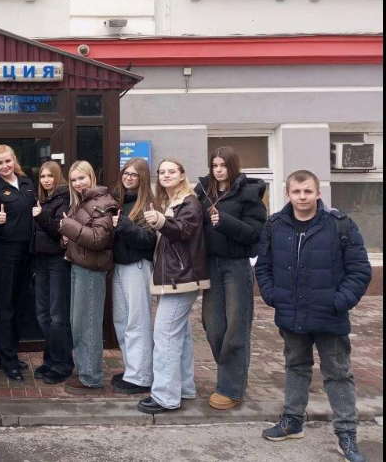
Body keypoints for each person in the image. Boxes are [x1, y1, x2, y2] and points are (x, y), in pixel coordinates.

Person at [256, 170, 371, 462]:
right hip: (291, 313)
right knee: (296, 366)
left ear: (318, 193)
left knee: (338, 374)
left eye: (308, 191)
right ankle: (292, 421)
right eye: (297, 192)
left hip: (330, 315)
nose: (302, 197)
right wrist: (273, 296)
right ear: (288, 194)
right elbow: (264, 266)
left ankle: (346, 434)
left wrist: (339, 302)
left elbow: (359, 270)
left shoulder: (340, 224)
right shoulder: (275, 225)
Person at [195, 147, 267, 410]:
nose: (218, 170)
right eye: (215, 165)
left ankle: (231, 387)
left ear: (232, 166)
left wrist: (224, 221)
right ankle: (230, 375)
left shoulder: (248, 193)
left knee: (236, 327)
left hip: (236, 265)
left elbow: (255, 233)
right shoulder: (203, 192)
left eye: (223, 165)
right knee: (213, 327)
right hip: (210, 265)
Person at [137, 158, 210, 415]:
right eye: (162, 172)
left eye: (172, 171)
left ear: (182, 175)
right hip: (175, 278)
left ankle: (165, 396)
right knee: (180, 335)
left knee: (165, 335)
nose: (166, 175)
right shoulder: (172, 202)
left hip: (181, 279)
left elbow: (182, 230)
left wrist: (160, 221)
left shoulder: (189, 203)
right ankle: (184, 388)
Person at [58, 160, 117, 395]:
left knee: (88, 323)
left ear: (91, 177)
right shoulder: (83, 202)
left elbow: (98, 239)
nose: (77, 183)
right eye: (73, 180)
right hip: (79, 266)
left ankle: (91, 377)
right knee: (79, 322)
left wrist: (68, 227)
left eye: (81, 178)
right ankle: (85, 369)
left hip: (91, 270)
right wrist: (67, 237)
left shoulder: (102, 202)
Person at [0, 145, 37, 382]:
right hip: (6, 253)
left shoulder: (27, 183)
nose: (4, 166)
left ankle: (11, 352)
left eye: (7, 161)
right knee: (5, 307)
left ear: (14, 160)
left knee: (20, 304)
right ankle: (7, 359)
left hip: (28, 251)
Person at [110, 158, 157, 396]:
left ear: (142, 177)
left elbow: (149, 240)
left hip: (138, 266)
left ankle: (141, 376)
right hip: (119, 266)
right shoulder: (119, 200)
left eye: (134, 174)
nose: (128, 178)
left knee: (137, 322)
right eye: (125, 173)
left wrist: (124, 225)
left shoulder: (147, 203)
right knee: (122, 321)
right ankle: (132, 369)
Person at [31, 161, 73, 385]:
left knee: (58, 315)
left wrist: (40, 216)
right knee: (43, 313)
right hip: (41, 260)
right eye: (42, 176)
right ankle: (50, 359)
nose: (46, 180)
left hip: (57, 261)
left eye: (50, 176)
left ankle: (63, 363)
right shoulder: (43, 200)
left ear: (58, 177)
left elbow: (60, 230)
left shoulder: (64, 198)